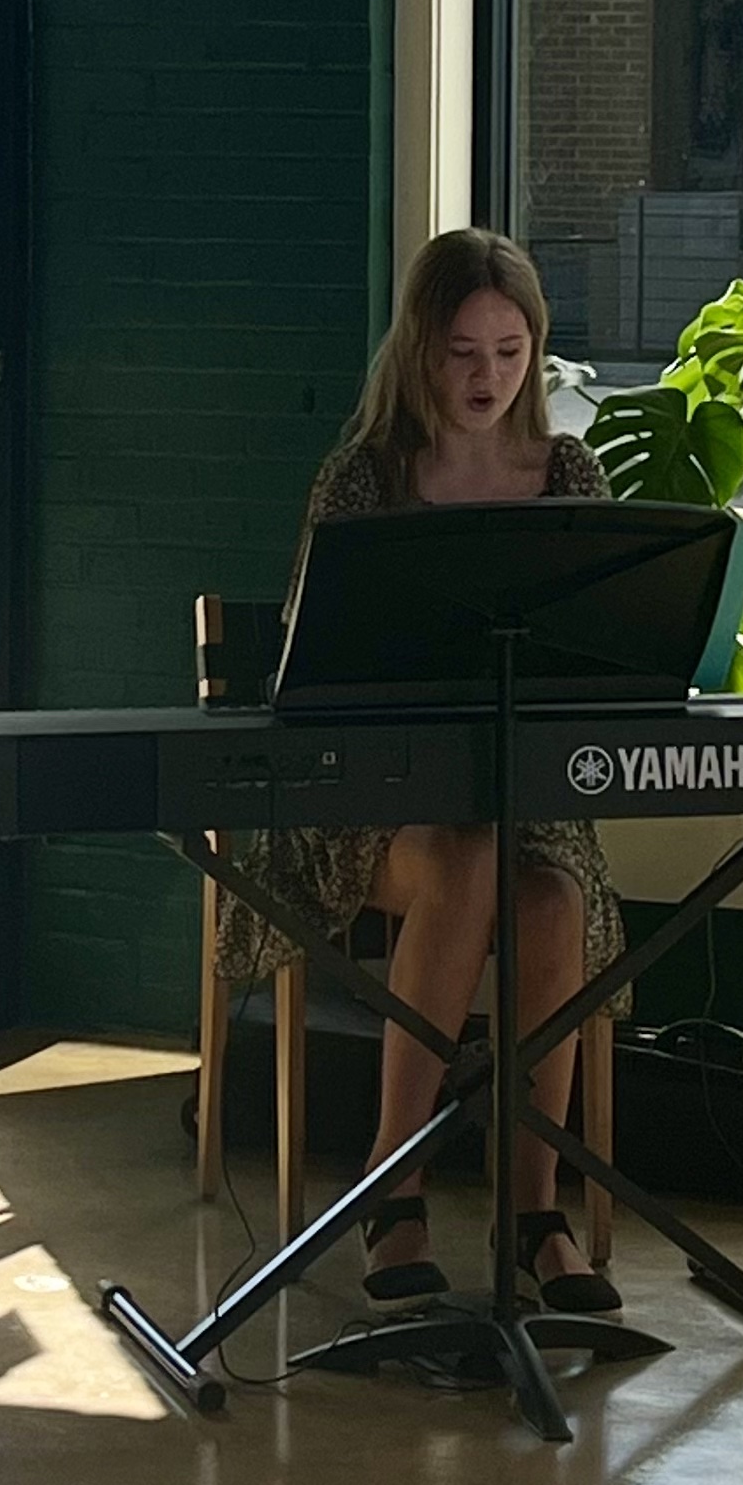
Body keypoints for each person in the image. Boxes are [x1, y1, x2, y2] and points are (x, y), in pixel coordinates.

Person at [223, 226, 624, 1316]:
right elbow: (315, 670)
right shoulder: (365, 480)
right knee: (464, 858)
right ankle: (391, 1190)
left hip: (522, 798)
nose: (489, 377)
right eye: (463, 353)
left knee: (549, 896)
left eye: (511, 352)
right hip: (376, 803)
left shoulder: (569, 475)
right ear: (419, 353)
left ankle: (531, 1210)